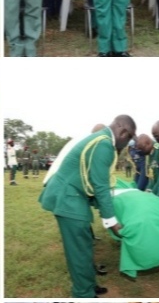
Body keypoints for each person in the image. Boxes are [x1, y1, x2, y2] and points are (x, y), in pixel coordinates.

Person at [39, 115, 136, 298]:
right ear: (123, 132)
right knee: (79, 251)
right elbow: (100, 186)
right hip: (68, 198)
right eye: (129, 138)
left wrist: (107, 209)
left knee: (84, 247)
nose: (126, 144)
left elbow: (92, 181)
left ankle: (88, 285)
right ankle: (83, 294)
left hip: (74, 196)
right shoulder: (105, 144)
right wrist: (111, 222)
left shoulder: (101, 139)